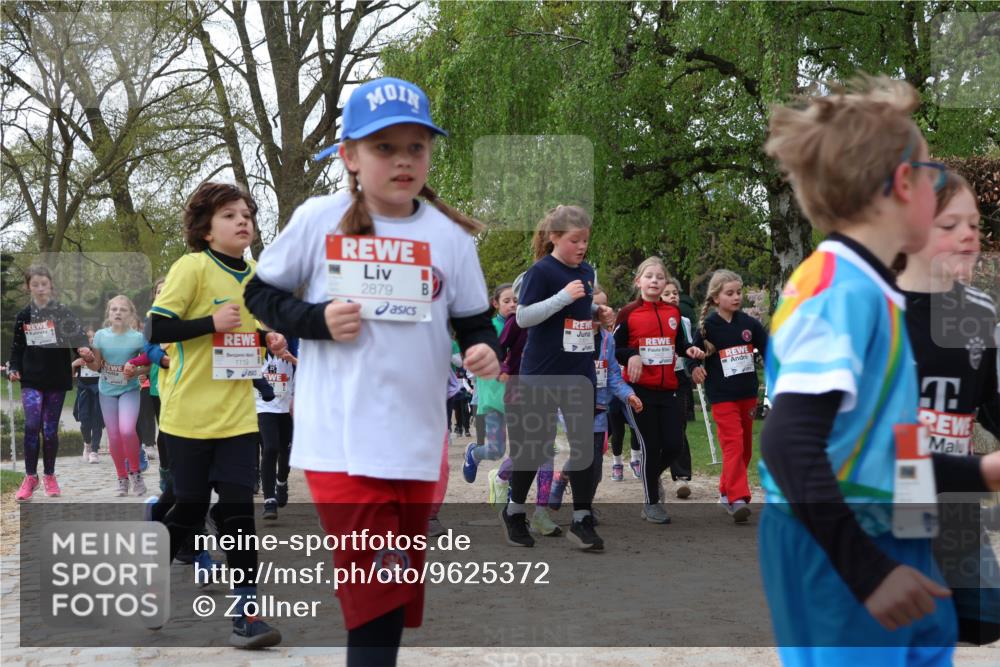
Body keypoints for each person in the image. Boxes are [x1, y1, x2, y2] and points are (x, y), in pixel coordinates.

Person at [243, 77, 499, 666]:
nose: (403, 159)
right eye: (385, 147)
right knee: (377, 593)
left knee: (394, 598)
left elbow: (475, 323)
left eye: (417, 146)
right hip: (342, 444)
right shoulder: (318, 219)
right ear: (349, 156)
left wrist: (484, 349)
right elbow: (261, 294)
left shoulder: (451, 239)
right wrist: (316, 319)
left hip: (415, 444)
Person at [758, 75, 1000, 665]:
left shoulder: (875, 291)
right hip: (839, 546)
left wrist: (981, 471)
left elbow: (880, 455)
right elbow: (788, 443)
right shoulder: (835, 289)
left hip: (895, 530)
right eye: (932, 177)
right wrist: (867, 571)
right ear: (901, 184)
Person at [148, 180, 287, 649]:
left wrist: (270, 337)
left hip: (238, 420)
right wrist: (210, 322)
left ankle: (246, 616)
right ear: (207, 230)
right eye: (229, 215)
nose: (242, 220)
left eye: (246, 212)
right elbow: (157, 327)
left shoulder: (256, 277)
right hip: (187, 416)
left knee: (238, 514)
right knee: (187, 508)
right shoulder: (191, 267)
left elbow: (251, 333)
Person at [896, 170, 1000, 645]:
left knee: (982, 621)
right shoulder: (876, 308)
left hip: (956, 503)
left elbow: (993, 402)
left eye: (974, 225)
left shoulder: (980, 312)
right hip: (889, 500)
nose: (968, 236)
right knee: (909, 632)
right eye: (950, 224)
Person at [502, 204, 615, 550]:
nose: (581, 247)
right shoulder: (542, 272)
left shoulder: (587, 271)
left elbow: (577, 308)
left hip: (578, 370)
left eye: (585, 241)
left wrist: (598, 310)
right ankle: (514, 509)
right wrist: (562, 297)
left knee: (584, 447)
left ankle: (581, 519)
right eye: (574, 240)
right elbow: (523, 318)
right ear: (554, 238)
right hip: (542, 371)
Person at [614, 257, 705, 524]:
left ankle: (650, 477)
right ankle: (651, 502)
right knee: (651, 447)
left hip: (669, 390)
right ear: (638, 281)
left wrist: (690, 353)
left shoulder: (673, 313)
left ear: (666, 282)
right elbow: (615, 348)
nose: (654, 280)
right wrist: (630, 355)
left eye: (660, 277)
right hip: (639, 391)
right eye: (649, 276)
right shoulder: (628, 313)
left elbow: (679, 345)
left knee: (674, 445)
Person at [550, 286, 642, 508]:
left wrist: (628, 394)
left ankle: (580, 499)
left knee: (596, 465)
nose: (596, 316)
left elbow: (612, 375)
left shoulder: (608, 340)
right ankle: (580, 508)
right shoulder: (566, 336)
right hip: (572, 405)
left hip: (599, 407)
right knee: (585, 453)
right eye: (592, 311)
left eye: (602, 311)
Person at [8, 265, 93, 500]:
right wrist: (14, 368)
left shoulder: (62, 312)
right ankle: (30, 477)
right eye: (35, 285)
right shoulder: (23, 316)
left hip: (56, 378)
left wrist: (82, 348)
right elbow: (17, 349)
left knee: (49, 429)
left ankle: (49, 476)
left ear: (51, 285)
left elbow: (76, 334)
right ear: (28, 288)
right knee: (32, 425)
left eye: (44, 284)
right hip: (31, 379)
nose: (40, 288)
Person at [690, 269, 768, 523]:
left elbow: (769, 350)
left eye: (738, 292)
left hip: (747, 394)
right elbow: (690, 355)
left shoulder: (749, 323)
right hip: (722, 397)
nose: (736, 297)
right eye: (729, 293)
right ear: (715, 298)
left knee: (744, 450)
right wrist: (695, 369)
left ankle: (725, 491)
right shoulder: (707, 328)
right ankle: (737, 499)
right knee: (733, 444)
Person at [87, 295, 148, 496]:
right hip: (107, 390)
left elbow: (148, 364)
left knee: (128, 431)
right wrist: (87, 359)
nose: (118, 313)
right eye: (114, 309)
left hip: (129, 389)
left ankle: (135, 473)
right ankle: (122, 477)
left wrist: (136, 371)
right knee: (113, 435)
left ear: (131, 314)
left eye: (123, 309)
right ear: (108, 314)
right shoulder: (100, 336)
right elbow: (96, 366)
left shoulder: (138, 338)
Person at [464, 283, 516, 483]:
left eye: (516, 301)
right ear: (495, 303)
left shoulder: (525, 326)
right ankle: (474, 454)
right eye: (507, 301)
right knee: (496, 450)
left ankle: (511, 488)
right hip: (494, 398)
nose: (512, 304)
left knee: (524, 448)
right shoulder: (489, 328)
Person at [662, 277, 694, 498]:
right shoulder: (651, 318)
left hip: (679, 375)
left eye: (675, 292)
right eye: (667, 293)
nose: (673, 296)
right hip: (656, 377)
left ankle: (681, 477)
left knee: (679, 424)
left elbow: (688, 347)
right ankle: (652, 472)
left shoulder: (684, 321)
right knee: (657, 429)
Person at [257, 341, 296, 521]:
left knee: (286, 451)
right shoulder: (257, 343)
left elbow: (311, 370)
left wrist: (293, 359)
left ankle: (281, 481)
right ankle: (269, 500)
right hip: (263, 407)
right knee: (270, 448)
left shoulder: (295, 342)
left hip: (287, 407)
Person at [72, 326, 103, 463]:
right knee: (84, 420)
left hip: (98, 389)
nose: (90, 340)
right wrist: (74, 364)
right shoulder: (79, 354)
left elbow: (106, 370)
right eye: (88, 338)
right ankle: (87, 444)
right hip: (83, 389)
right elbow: (72, 376)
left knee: (97, 420)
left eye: (93, 338)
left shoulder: (100, 353)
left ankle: (95, 451)